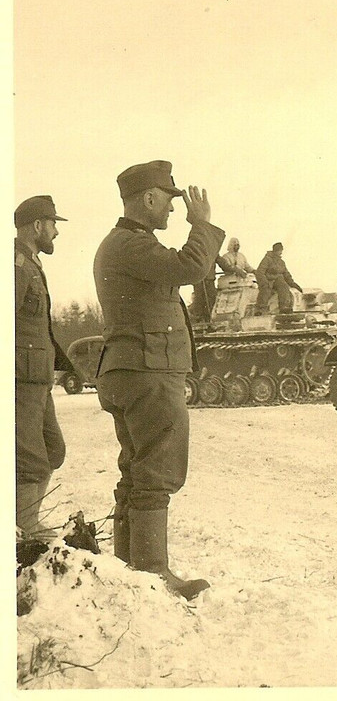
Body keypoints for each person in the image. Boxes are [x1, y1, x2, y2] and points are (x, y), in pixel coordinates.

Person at [93, 160, 225, 601]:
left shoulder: (127, 245)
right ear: (148, 199)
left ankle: (131, 573)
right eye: (169, 200)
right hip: (148, 372)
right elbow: (191, 267)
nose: (173, 209)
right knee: (156, 473)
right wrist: (202, 225)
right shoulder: (131, 245)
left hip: (136, 368)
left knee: (136, 471)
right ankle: (152, 576)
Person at [15, 195, 73, 536]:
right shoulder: (16, 264)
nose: (56, 232)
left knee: (53, 449)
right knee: (30, 460)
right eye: (53, 224)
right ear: (38, 225)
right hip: (19, 381)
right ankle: (24, 527)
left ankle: (23, 519)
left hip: (37, 380)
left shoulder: (31, 264)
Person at [255, 242, 303, 315]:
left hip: (277, 281)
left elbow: (286, 274)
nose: (280, 252)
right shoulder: (267, 259)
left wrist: (293, 284)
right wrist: (264, 282)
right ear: (275, 251)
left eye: (281, 251)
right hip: (268, 280)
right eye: (279, 250)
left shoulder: (281, 262)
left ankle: (284, 307)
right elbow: (260, 272)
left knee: (284, 285)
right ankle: (260, 309)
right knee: (265, 290)